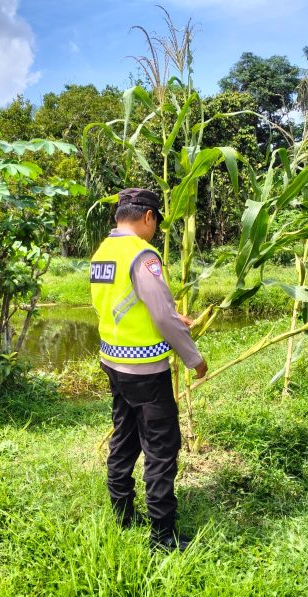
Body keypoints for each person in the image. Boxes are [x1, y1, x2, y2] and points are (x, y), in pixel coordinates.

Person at [90, 187, 208, 552]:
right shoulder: (142, 254)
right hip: (144, 369)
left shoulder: (103, 252)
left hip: (113, 362)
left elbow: (122, 304)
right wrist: (194, 357)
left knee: (124, 437)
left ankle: (122, 515)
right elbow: (160, 315)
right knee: (161, 446)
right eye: (156, 221)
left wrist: (173, 317)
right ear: (148, 217)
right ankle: (163, 536)